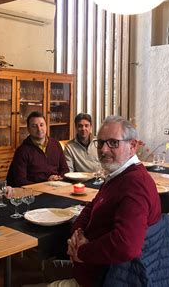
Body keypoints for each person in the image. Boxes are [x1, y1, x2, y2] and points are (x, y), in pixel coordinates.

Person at [67, 116, 161, 286]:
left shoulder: (134, 183)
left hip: (106, 279)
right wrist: (77, 232)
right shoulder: (118, 175)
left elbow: (126, 246)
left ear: (132, 146)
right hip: (93, 269)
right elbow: (91, 206)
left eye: (113, 143)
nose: (103, 150)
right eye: (101, 142)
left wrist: (82, 252)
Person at [8, 111, 69, 186]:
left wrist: (58, 178)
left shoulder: (55, 144)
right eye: (34, 126)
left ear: (46, 126)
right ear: (28, 129)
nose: (39, 129)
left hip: (57, 187)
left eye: (41, 125)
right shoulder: (22, 151)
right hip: (35, 192)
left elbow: (65, 169)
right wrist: (46, 183)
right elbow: (20, 181)